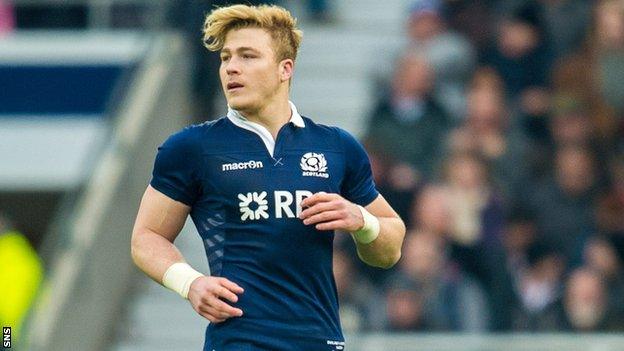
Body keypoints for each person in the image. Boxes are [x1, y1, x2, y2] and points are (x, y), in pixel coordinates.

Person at [130, 4, 406, 351]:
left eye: (247, 56)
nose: (232, 67)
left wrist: (362, 220)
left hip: (319, 340)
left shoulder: (336, 146)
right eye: (226, 57)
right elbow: (147, 237)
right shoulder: (193, 147)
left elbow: (390, 247)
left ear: (284, 69)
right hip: (239, 341)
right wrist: (190, 283)